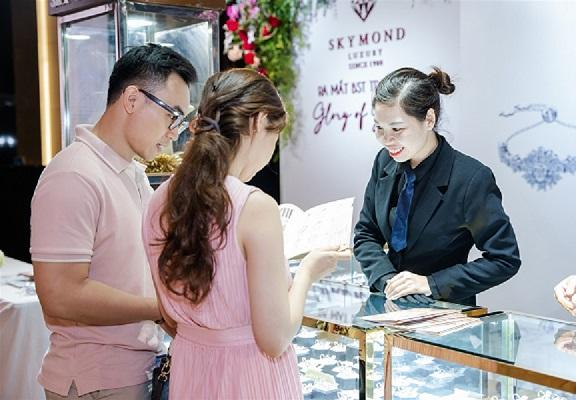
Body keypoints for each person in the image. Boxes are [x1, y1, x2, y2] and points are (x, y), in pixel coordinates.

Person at [142, 68, 347, 399]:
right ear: (258, 122)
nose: (270, 154)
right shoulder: (253, 206)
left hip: (191, 372)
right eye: (275, 136)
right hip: (250, 377)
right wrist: (308, 272)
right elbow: (275, 339)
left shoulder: (159, 200)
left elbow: (168, 317)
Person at [30, 44, 197, 399]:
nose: (175, 132)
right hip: (96, 379)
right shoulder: (74, 174)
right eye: (173, 115)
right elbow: (60, 296)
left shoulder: (132, 173)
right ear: (132, 99)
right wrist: (162, 309)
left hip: (133, 368)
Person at [353, 66, 521, 306]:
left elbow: (504, 259)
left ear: (429, 119)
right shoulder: (384, 162)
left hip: (444, 313)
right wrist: (387, 279)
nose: (386, 139)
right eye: (379, 127)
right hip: (388, 307)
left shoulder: (470, 179)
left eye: (397, 129)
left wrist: (430, 283)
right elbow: (366, 233)